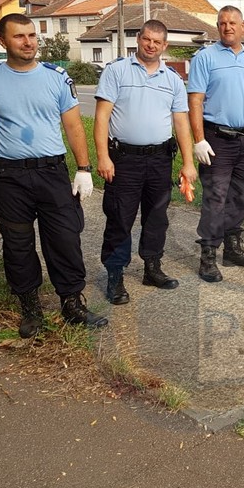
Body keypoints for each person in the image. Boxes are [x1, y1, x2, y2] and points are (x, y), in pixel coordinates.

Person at [0, 13, 107, 337]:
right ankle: (30, 308)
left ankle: (72, 304)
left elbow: (72, 126)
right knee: (18, 244)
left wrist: (83, 169)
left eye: (31, 35)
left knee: (65, 239)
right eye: (19, 36)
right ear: (3, 41)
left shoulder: (57, 77)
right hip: (8, 178)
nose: (28, 42)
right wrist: (0, 156)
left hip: (51, 172)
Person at [94, 20, 197, 304]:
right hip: (124, 160)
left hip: (159, 160)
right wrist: (103, 156)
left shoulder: (173, 79)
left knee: (156, 218)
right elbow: (102, 116)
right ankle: (115, 275)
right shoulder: (117, 71)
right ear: (138, 39)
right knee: (120, 217)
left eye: (157, 42)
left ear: (165, 46)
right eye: (146, 39)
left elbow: (181, 123)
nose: (151, 45)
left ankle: (152, 267)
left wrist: (188, 163)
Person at [188, 6, 244, 282]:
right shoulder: (205, 58)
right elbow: (195, 100)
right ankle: (208, 256)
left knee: (242, 197)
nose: (227, 27)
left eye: (233, 23)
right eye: (222, 23)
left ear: (242, 27)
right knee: (216, 198)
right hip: (217, 140)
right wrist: (199, 139)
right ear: (218, 27)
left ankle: (232, 248)